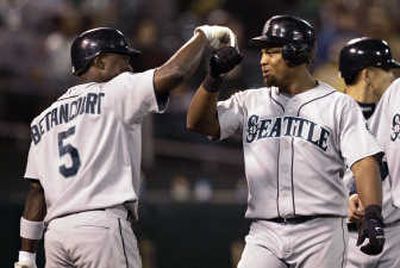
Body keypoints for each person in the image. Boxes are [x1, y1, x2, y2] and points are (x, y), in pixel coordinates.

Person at [14, 25, 237, 268]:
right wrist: (203, 35)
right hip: (100, 228)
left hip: (56, 236)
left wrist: (26, 256)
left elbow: (36, 193)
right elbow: (175, 72)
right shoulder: (116, 90)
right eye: (122, 60)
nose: (129, 68)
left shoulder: (42, 120)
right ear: (99, 62)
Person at [187, 15, 384, 267]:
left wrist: (373, 213)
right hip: (265, 232)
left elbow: (364, 161)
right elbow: (197, 123)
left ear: (296, 52)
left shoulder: (337, 105)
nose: (262, 60)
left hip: (321, 232)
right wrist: (212, 79)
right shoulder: (250, 101)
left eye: (271, 52)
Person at [339, 37, 400, 268]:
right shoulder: (325, 115)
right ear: (367, 74)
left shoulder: (393, 113)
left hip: (394, 234)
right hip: (342, 235)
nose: (392, 77)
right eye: (387, 70)